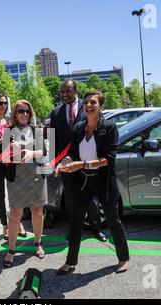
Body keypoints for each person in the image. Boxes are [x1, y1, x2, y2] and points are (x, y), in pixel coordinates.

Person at [55, 91, 130, 276]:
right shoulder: (79, 127)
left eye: (93, 102)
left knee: (113, 220)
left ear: (101, 106)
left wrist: (79, 164)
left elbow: (108, 159)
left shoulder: (109, 128)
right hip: (82, 180)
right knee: (76, 221)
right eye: (86, 102)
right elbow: (72, 152)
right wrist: (64, 163)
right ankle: (70, 262)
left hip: (103, 180)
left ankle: (123, 258)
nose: (88, 105)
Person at [50, 80, 107, 242]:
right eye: (62, 92)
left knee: (91, 197)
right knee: (70, 198)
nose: (64, 94)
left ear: (75, 91)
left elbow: (98, 130)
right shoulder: (55, 112)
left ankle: (96, 228)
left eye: (67, 91)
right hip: (66, 164)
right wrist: (55, 162)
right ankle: (75, 230)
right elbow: (53, 139)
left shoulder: (88, 106)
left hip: (87, 161)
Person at [3, 100, 48, 268]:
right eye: (21, 111)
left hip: (36, 176)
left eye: (27, 111)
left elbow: (44, 152)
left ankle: (37, 243)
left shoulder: (36, 130)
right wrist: (9, 149)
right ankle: (11, 250)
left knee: (37, 210)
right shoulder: (8, 132)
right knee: (15, 214)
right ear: (15, 113)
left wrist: (31, 153)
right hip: (17, 178)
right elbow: (4, 158)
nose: (24, 114)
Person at [0, 93, 27, 240]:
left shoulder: (10, 121)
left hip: (10, 162)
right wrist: (2, 140)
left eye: (5, 103)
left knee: (15, 193)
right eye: (0, 103)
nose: (3, 106)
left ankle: (18, 222)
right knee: (0, 194)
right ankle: (5, 225)